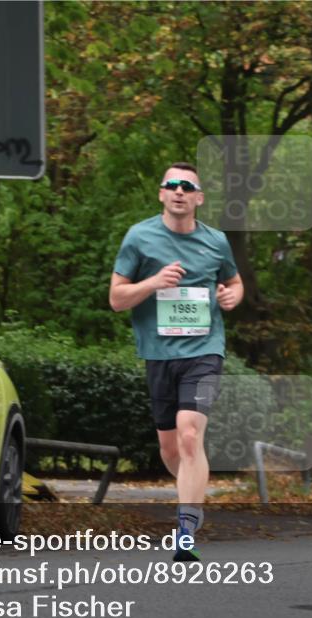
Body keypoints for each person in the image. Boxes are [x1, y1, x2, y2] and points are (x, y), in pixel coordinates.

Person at [109, 162, 243, 561]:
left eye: (188, 186)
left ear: (199, 198)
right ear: (161, 194)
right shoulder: (139, 237)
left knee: (189, 434)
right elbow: (116, 300)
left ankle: (186, 529)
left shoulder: (216, 241)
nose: (179, 191)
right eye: (172, 185)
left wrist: (233, 295)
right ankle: (193, 483)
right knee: (171, 450)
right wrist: (153, 283)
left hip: (205, 352)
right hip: (159, 355)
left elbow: (234, 282)